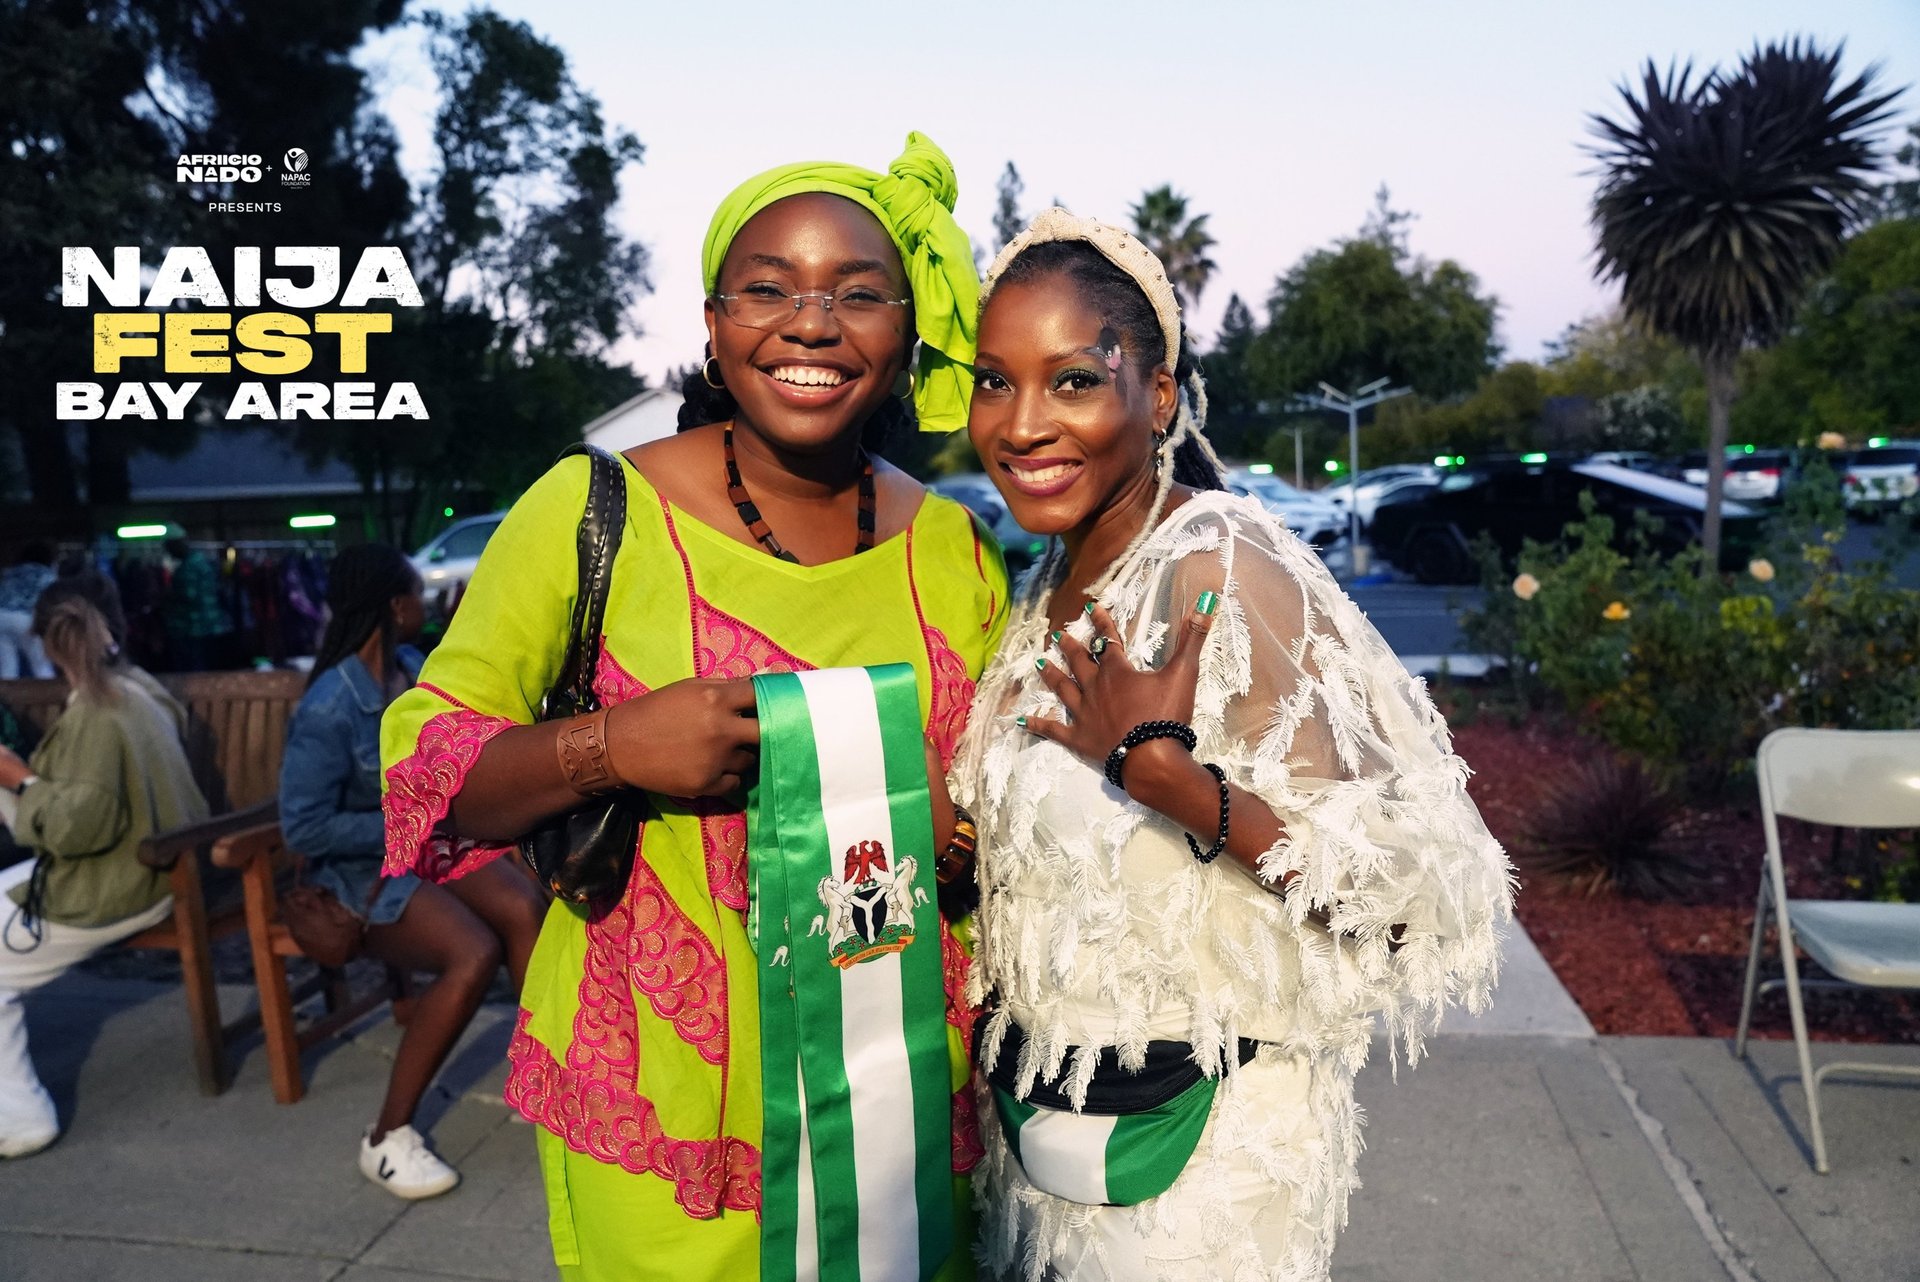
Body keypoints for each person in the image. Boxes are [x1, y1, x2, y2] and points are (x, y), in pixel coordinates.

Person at [381, 133, 1008, 1280]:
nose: (811, 324)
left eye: (858, 293)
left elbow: (1006, 802)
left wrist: (960, 842)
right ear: (714, 324)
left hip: (903, 1107)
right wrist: (610, 745)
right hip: (670, 1114)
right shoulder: (593, 508)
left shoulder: (955, 548)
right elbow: (430, 769)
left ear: (907, 332)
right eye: (768, 288)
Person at [950, 210, 1515, 1281]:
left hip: (1199, 1170)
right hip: (1044, 1145)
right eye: (994, 382)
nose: (1021, 424)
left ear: (1158, 395)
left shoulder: (1219, 565)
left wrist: (1178, 784)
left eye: (1073, 380)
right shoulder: (1044, 585)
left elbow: (1416, 895)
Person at [279, 544, 547, 1200]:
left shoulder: (412, 669)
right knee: (472, 953)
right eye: (415, 597)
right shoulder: (329, 706)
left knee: (525, 906)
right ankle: (386, 1136)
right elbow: (303, 829)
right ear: (394, 606)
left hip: (425, 847)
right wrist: (406, 818)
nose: (423, 605)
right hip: (362, 875)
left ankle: (544, 1079)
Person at [0, 596, 209, 1158]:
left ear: (47, 647)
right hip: (155, 868)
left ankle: (20, 1116)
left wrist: (19, 779)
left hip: (119, 884)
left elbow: (79, 829)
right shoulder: (138, 690)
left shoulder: (94, 715)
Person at [162, 538, 229, 672]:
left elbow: (188, 595)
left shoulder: (188, 567)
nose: (170, 554)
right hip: (208, 624)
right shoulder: (202, 562)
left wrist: (168, 597)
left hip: (194, 626)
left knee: (195, 668)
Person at [0, 543, 57, 680]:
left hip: (1, 614)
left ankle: (6, 693)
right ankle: (48, 690)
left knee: (7, 664)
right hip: (24, 617)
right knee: (40, 663)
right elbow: (51, 599)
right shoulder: (46, 574)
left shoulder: (10, 573)